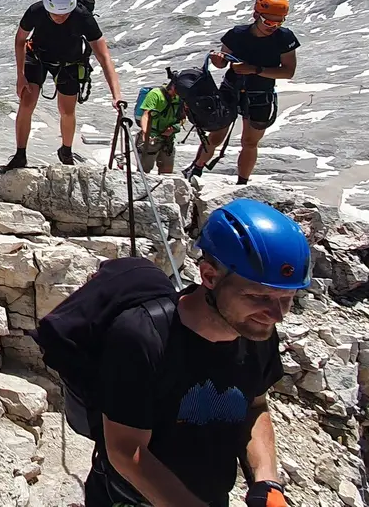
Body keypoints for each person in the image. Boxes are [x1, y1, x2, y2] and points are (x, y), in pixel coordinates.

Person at [86, 198, 309, 507]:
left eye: (286, 299)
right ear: (209, 276)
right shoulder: (142, 337)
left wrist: (267, 482)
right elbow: (126, 450)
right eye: (258, 296)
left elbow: (255, 406)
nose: (276, 315)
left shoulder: (256, 331)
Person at [183, 0, 299, 186]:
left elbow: (288, 72)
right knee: (216, 135)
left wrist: (254, 69)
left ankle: (242, 184)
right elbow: (222, 63)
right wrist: (218, 60)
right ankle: (196, 170)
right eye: (268, 22)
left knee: (250, 142)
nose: (273, 27)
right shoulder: (237, 35)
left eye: (279, 22)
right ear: (256, 15)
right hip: (232, 89)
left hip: (261, 94)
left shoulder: (285, 37)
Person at [9, 0, 124, 169]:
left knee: (67, 110)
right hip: (38, 56)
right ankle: (20, 155)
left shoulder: (82, 16)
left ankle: (66, 151)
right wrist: (20, 76)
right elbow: (20, 39)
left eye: (65, 13)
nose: (61, 17)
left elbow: (104, 56)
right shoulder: (36, 11)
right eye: (56, 14)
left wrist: (116, 95)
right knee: (27, 102)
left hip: (69, 62)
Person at [135, 82, 186, 175]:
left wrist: (174, 128)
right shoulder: (155, 94)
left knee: (167, 174)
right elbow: (146, 115)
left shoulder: (180, 98)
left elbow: (183, 117)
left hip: (168, 140)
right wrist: (146, 133)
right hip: (151, 138)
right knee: (144, 172)